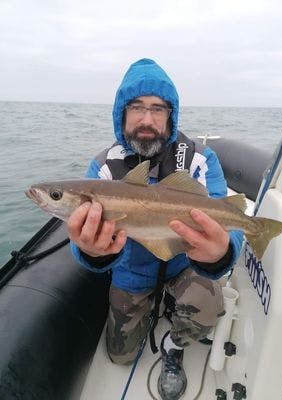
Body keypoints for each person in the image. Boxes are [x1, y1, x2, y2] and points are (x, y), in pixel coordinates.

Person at [68, 58, 243, 400]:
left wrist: (220, 253)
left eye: (158, 109)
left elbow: (224, 213)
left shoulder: (199, 160)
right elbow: (84, 240)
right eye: (136, 107)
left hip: (184, 266)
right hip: (130, 272)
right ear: (122, 113)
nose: (147, 119)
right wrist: (91, 252)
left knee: (209, 303)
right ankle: (148, 310)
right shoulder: (103, 167)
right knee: (119, 357)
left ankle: (173, 345)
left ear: (171, 114)